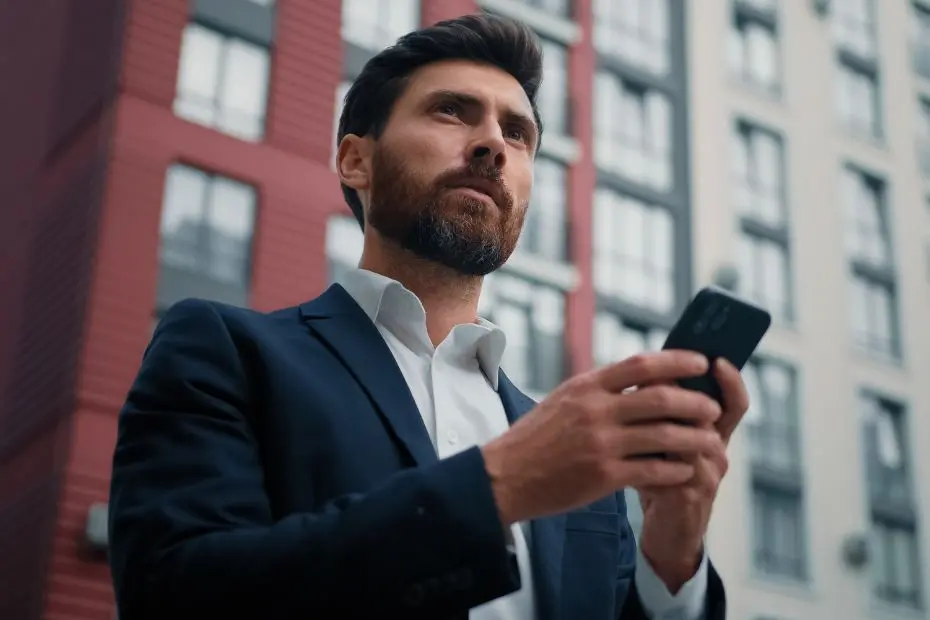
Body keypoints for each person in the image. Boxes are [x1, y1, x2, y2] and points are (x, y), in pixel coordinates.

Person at [108, 13, 748, 620]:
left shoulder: (582, 465)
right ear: (356, 160)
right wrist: (497, 487)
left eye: (517, 134)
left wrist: (671, 553)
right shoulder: (226, 352)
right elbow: (175, 593)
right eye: (452, 110)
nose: (494, 144)